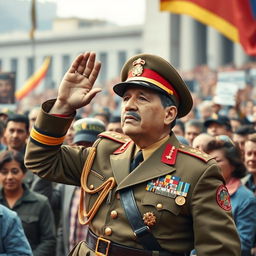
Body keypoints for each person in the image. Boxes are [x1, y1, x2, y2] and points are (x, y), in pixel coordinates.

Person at [25, 52, 240, 255]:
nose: (129, 106)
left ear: (169, 114)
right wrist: (62, 105)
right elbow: (40, 160)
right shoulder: (104, 149)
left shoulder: (196, 171)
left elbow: (218, 250)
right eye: (126, 98)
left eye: (142, 98)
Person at [57, 117, 105, 256]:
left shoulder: (110, 182)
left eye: (89, 144)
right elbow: (63, 228)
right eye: (79, 144)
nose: (83, 151)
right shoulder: (68, 183)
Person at [205, 136, 256, 256]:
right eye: (208, 161)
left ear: (233, 164)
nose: (211, 166)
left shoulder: (246, 199)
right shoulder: (205, 192)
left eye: (217, 161)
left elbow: (243, 243)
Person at [0, 150, 56, 256]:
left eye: (15, 171)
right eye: (4, 172)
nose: (9, 177)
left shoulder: (40, 202)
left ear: (24, 174)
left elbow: (49, 241)